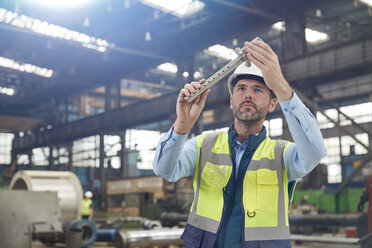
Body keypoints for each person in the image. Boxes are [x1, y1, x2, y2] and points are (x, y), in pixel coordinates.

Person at [153, 39, 327, 248]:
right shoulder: (203, 145)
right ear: (231, 101)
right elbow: (164, 170)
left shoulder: (283, 155)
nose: (247, 94)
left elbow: (315, 151)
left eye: (258, 90)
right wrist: (182, 124)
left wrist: (280, 85)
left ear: (273, 103)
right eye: (241, 88)